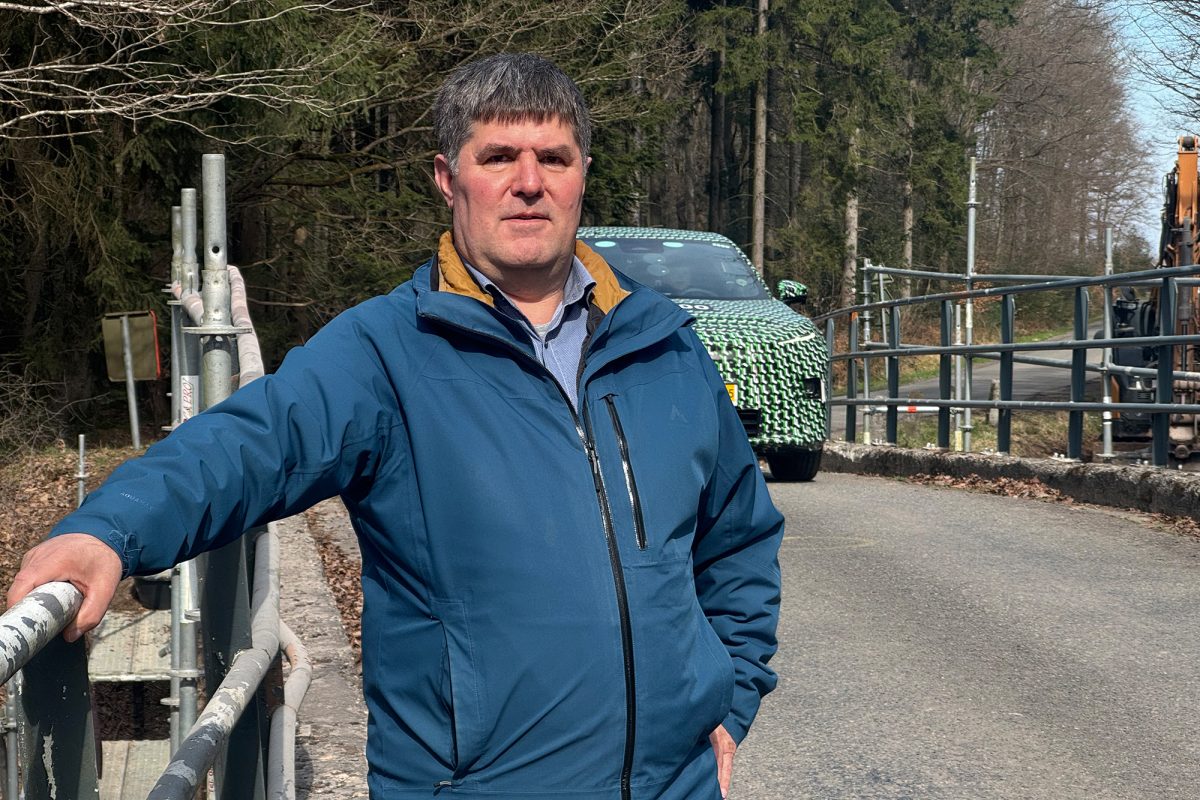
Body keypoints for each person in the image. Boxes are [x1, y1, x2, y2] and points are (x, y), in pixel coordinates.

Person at [8, 53, 784, 800]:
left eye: (553, 157)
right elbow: (248, 444)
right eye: (498, 157)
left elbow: (738, 534)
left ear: (583, 172)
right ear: (448, 178)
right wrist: (108, 530)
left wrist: (731, 693)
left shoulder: (662, 343)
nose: (528, 183)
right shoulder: (387, 351)